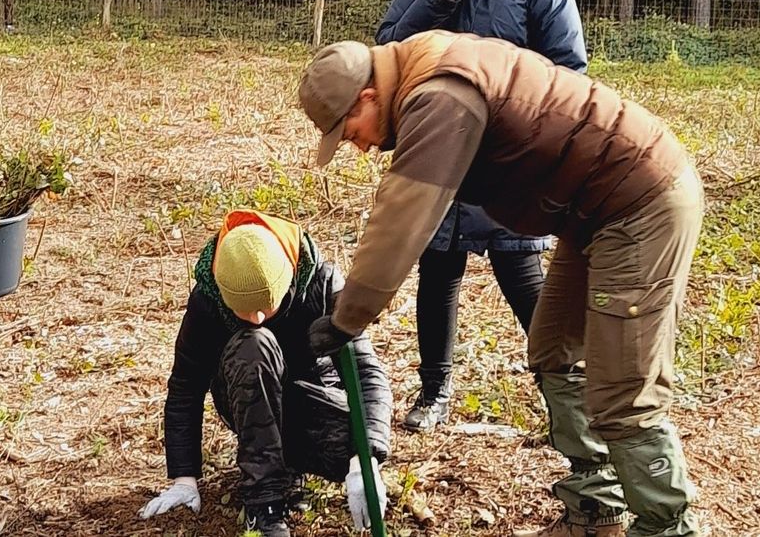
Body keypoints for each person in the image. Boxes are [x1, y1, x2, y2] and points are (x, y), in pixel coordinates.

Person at [297, 31, 703, 537]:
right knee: (555, 350)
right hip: (593, 214)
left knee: (624, 388)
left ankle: (667, 526)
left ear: (368, 96)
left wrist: (348, 316)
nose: (357, 146)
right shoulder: (419, 65)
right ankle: (596, 511)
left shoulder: (439, 96)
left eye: (348, 130)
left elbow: (402, 218)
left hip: (640, 203)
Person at [376, 0, 586, 432]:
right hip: (436, 149)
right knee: (437, 268)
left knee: (522, 273)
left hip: (507, 157)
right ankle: (435, 389)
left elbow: (568, 71)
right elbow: (389, 46)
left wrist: (524, 129)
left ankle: (565, 402)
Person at [139, 210, 391, 537]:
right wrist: (184, 479)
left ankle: (292, 465)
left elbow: (366, 373)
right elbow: (185, 388)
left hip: (311, 402)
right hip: (247, 397)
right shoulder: (206, 302)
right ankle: (264, 503)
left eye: (267, 304)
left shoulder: (322, 282)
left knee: (359, 442)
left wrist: (364, 460)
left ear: (287, 276)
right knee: (253, 342)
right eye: (243, 308)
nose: (257, 316)